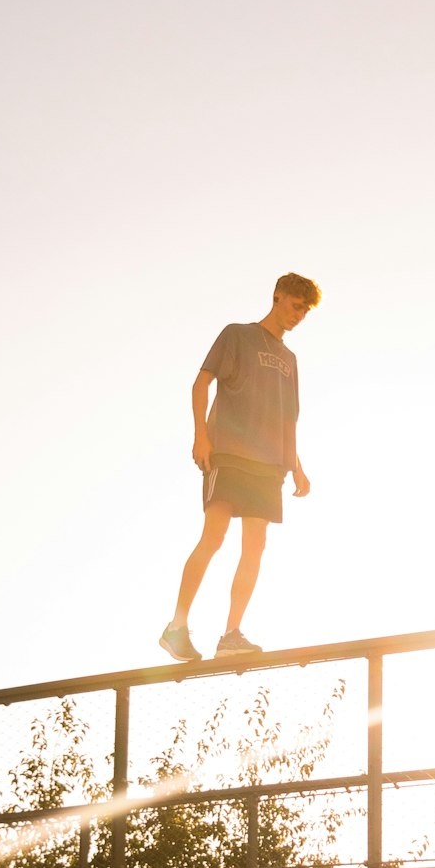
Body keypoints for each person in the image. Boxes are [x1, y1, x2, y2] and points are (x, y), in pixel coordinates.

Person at [159, 273, 321, 662]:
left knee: (255, 546)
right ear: (278, 297)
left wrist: (297, 465)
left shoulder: (289, 360)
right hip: (229, 453)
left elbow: (288, 419)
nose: (300, 315)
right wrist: (201, 435)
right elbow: (201, 383)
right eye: (296, 305)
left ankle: (231, 635)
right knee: (213, 537)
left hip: (269, 466)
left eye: (306, 310)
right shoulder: (237, 335)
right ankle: (176, 628)